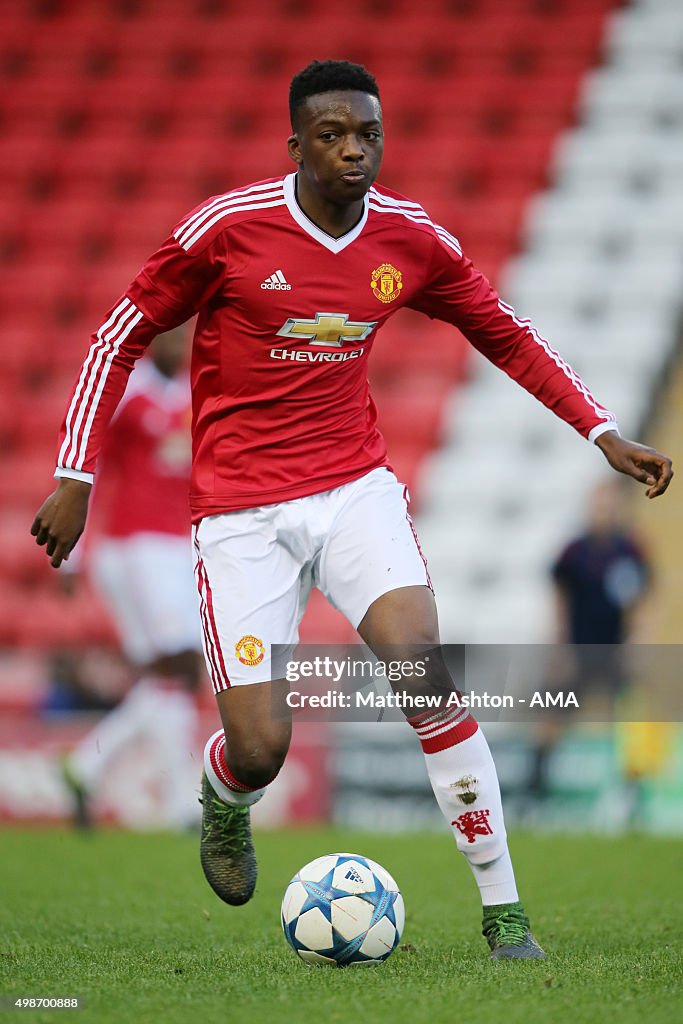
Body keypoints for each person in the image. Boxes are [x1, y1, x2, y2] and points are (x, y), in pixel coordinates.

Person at [31, 60, 673, 959]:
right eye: (330, 136)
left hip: (352, 491)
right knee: (258, 748)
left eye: (366, 135)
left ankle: (505, 915)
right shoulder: (227, 231)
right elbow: (118, 336)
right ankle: (225, 795)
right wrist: (76, 474)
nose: (352, 151)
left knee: (424, 676)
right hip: (241, 514)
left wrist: (600, 432)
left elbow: (505, 332)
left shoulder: (408, 239)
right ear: (295, 146)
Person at [60, 329, 204, 829]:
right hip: (135, 545)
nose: (176, 342)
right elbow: (86, 461)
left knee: (172, 679)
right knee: (182, 665)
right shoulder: (130, 391)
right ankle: (181, 803)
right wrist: (74, 552)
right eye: (168, 333)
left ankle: (86, 767)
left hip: (177, 546)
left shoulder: (193, 391)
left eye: (183, 333)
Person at [528, 481, 652, 807]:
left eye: (610, 505)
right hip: (579, 649)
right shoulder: (575, 551)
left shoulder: (630, 550)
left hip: (614, 649)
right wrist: (560, 646)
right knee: (552, 715)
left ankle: (632, 792)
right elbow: (560, 599)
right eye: (599, 504)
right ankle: (535, 787)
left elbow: (641, 601)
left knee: (627, 720)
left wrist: (636, 643)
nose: (604, 511)